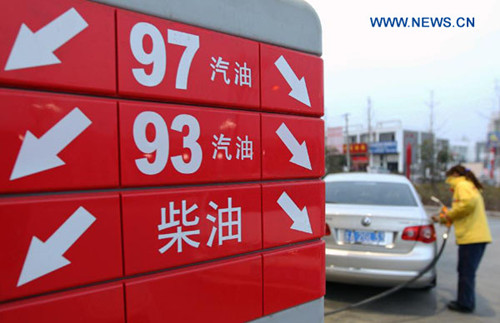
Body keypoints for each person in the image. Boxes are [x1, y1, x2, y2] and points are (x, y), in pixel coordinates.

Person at [432, 165, 492, 313]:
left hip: (471, 237)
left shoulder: (462, 185)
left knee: (466, 272)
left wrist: (447, 216)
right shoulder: (469, 185)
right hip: (476, 236)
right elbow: (464, 210)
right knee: (466, 271)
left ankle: (465, 304)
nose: (449, 181)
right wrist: (445, 218)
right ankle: (465, 301)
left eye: (449, 177)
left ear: (454, 174)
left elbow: (466, 205)